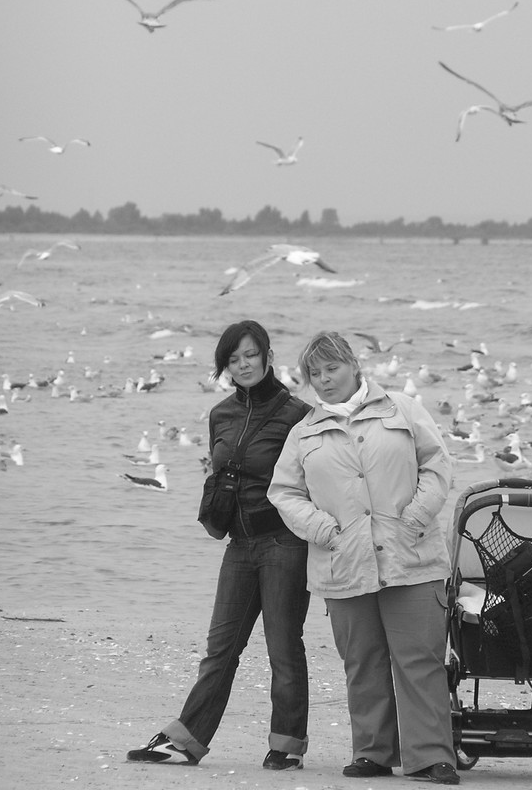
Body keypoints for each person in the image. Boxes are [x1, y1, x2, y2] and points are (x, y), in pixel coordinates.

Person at [268, 331, 460, 785]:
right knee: (363, 661)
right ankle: (373, 753)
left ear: (354, 365)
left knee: (420, 659)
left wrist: (416, 516)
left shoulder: (403, 409)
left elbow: (437, 464)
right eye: (314, 374)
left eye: (331, 368)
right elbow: (284, 493)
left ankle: (431, 756)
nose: (323, 379)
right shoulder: (303, 432)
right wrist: (323, 531)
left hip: (411, 554)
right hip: (343, 561)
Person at [127, 320, 312, 770]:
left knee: (283, 649)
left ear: (268, 355)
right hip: (239, 545)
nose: (243, 364)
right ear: (224, 366)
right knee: (221, 649)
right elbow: (218, 471)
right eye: (233, 359)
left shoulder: (299, 414)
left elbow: (314, 483)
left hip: (285, 543)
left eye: (250, 354)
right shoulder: (221, 414)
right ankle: (185, 741)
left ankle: (286, 746)